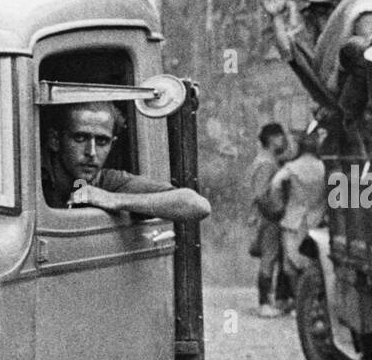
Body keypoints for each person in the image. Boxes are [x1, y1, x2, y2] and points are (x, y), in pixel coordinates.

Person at [42, 102, 211, 220]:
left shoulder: (108, 181)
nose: (91, 152)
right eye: (80, 138)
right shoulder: (33, 178)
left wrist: (114, 200)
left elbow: (196, 205)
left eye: (102, 141)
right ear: (55, 140)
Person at [267, 128, 328, 295]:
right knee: (312, 264)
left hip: (292, 220)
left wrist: (278, 205)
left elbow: (276, 184)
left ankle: (298, 302)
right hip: (316, 220)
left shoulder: (292, 167)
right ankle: (310, 299)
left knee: (291, 266)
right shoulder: (322, 167)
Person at [249, 122, 292, 316]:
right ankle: (264, 303)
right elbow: (260, 194)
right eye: (279, 136)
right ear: (271, 139)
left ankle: (274, 300)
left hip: (269, 217)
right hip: (269, 218)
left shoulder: (268, 160)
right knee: (269, 257)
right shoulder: (266, 163)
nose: (283, 140)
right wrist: (276, 211)